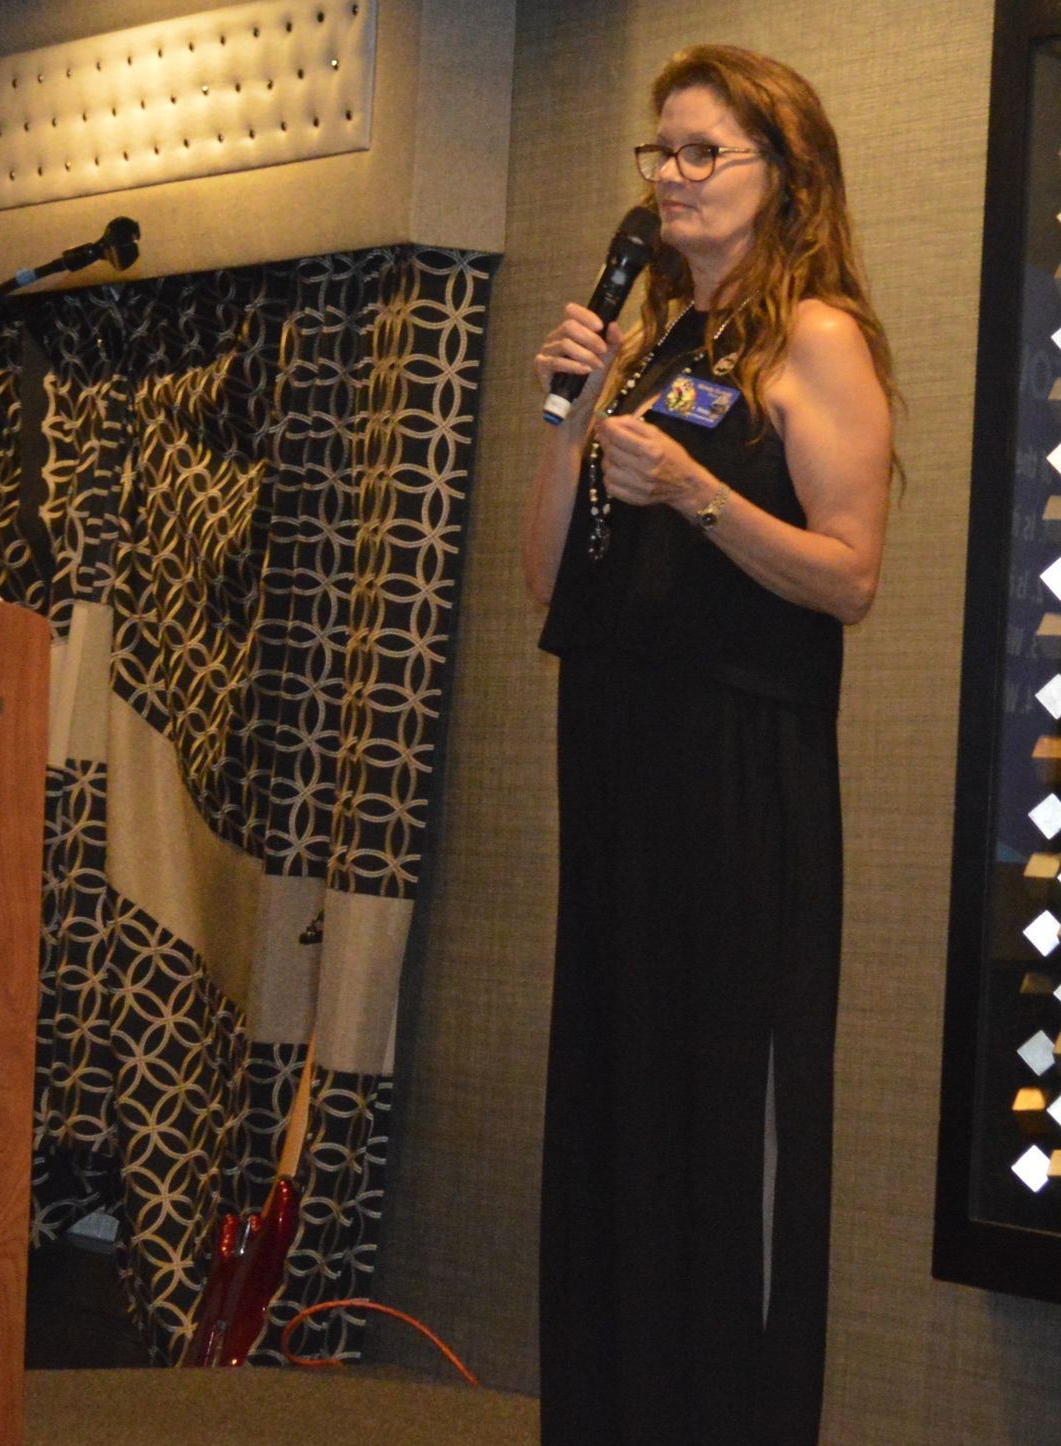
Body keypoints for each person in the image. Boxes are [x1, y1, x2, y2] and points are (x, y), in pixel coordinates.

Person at [523, 44, 896, 1446]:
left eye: (700, 153)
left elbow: (850, 577)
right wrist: (571, 413)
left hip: (739, 772)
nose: (669, 179)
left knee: (717, 1124)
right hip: (620, 764)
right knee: (616, 1114)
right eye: (660, 153)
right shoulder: (653, 344)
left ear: (781, 175)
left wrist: (693, 490)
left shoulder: (819, 337)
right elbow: (546, 583)